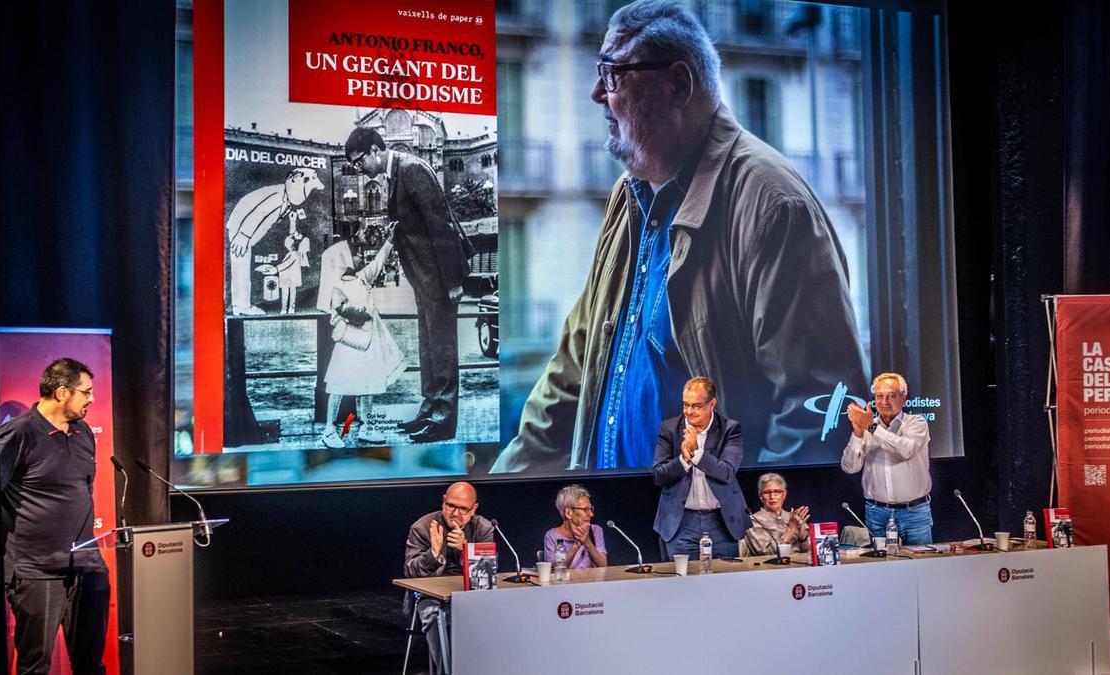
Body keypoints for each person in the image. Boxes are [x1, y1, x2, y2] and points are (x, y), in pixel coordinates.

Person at [491, 0, 867, 474]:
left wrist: (748, 533)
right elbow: (572, 371)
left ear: (678, 84)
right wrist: (505, 492)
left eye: (612, 75)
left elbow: (817, 417)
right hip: (617, 529)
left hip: (703, 538)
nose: (596, 94)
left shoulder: (772, 205)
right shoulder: (629, 195)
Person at [344, 127, 472, 444]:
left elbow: (441, 226)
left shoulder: (412, 169)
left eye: (359, 161)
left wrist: (454, 281)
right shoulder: (396, 173)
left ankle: (442, 420)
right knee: (428, 346)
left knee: (442, 347)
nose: (359, 169)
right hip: (424, 278)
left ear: (375, 150)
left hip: (439, 279)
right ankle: (429, 410)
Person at [0, 358, 109, 674]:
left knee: (90, 664)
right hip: (37, 571)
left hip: (88, 567)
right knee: (35, 666)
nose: (91, 398)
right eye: (85, 392)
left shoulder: (83, 431)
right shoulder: (18, 434)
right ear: (62, 392)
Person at [316, 231, 404, 448]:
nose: (359, 258)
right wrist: (362, 312)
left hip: (367, 341)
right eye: (355, 255)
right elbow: (340, 312)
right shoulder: (334, 286)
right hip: (348, 342)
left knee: (368, 383)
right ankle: (329, 430)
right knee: (338, 385)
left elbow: (378, 262)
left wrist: (390, 241)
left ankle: (365, 427)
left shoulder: (362, 278)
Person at [652, 377, 750, 559]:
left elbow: (727, 472)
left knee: (724, 583)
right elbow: (659, 475)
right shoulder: (670, 429)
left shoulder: (729, 429)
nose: (689, 411)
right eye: (685, 405)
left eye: (696, 406)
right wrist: (683, 458)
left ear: (711, 404)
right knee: (683, 584)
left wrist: (697, 453)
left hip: (721, 523)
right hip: (681, 524)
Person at [403, 482, 494, 675]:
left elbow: (486, 576)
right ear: (444, 501)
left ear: (474, 509)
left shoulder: (483, 527)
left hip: (470, 595)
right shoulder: (422, 527)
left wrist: (466, 549)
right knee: (435, 616)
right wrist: (433, 554)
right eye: (451, 505)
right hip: (429, 596)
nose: (456, 513)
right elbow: (411, 573)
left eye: (463, 509)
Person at [841, 372, 933, 545]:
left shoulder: (916, 423)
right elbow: (850, 467)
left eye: (891, 396)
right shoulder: (868, 428)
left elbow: (905, 449)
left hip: (914, 512)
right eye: (879, 396)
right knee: (880, 568)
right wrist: (858, 433)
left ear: (903, 398)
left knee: (921, 567)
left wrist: (871, 427)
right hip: (877, 513)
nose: (884, 401)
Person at [226, 167, 323, 315]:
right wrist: (243, 235)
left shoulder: (287, 199)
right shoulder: (277, 196)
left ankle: (240, 306)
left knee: (242, 264)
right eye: (306, 183)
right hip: (241, 228)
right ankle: (241, 306)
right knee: (241, 266)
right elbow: (257, 213)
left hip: (246, 231)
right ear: (294, 179)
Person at [744, 472, 810, 556]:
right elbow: (766, 553)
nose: (772, 497)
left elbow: (810, 552)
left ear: (784, 494)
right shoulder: (752, 521)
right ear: (760, 496)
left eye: (777, 491)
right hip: (770, 568)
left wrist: (802, 539)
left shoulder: (794, 518)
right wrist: (790, 529)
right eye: (767, 492)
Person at [543, 484, 608, 569]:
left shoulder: (595, 530)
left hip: (591, 581)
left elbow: (604, 566)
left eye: (591, 509)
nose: (591, 514)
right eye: (585, 510)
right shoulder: (552, 536)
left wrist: (587, 542)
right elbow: (555, 570)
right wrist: (576, 545)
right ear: (568, 513)